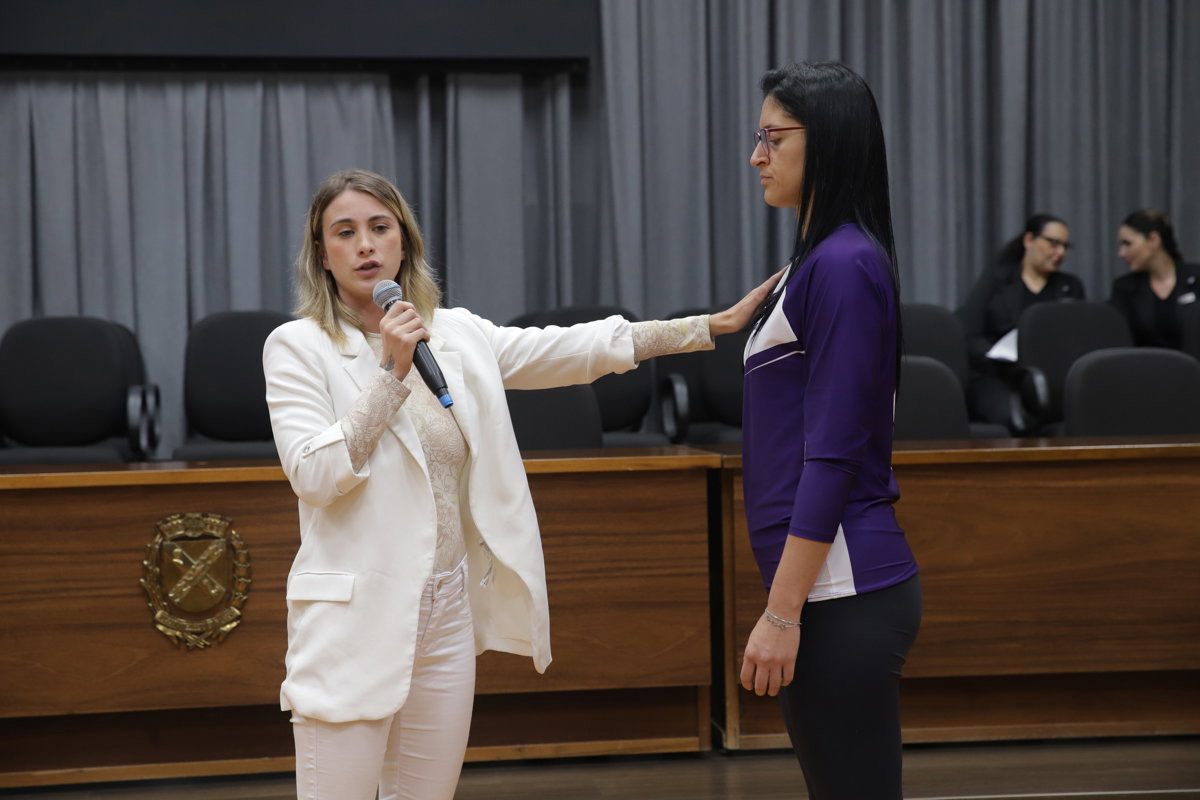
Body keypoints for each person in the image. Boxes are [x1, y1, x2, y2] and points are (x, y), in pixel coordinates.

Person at [262, 168, 778, 800]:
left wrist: (705, 328)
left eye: (380, 228)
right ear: (322, 253)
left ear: (405, 244)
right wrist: (391, 374)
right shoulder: (298, 347)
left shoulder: (455, 335)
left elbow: (570, 349)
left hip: (445, 610)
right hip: (353, 619)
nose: (366, 245)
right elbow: (314, 476)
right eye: (345, 232)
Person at [738, 62, 922, 799]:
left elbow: (835, 454)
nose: (757, 156)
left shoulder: (842, 263)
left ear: (830, 142)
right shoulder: (815, 264)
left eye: (771, 137)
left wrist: (782, 613)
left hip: (842, 588)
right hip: (830, 587)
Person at [957, 213, 1085, 429]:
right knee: (1015, 417)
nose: (1060, 252)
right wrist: (1000, 355)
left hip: (1051, 379)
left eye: (1065, 246)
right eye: (1053, 243)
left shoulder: (1070, 286)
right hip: (998, 376)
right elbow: (968, 333)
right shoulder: (997, 280)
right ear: (1029, 240)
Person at [1111, 209, 1200, 349]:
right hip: (1145, 367)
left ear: (1153, 240)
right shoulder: (1124, 287)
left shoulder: (1196, 278)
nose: (1121, 253)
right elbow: (1121, 342)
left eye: (1127, 244)